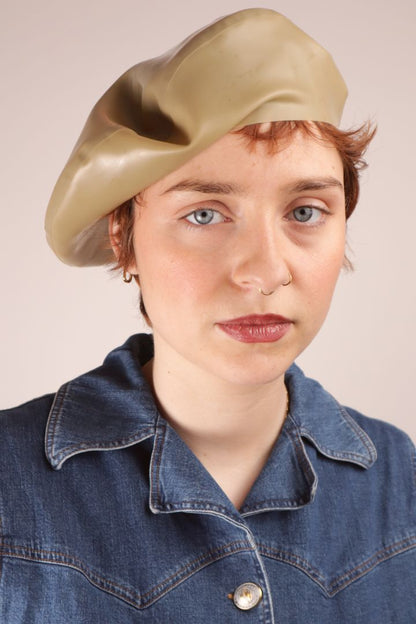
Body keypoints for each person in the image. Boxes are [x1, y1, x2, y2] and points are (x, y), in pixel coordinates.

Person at [1, 8, 415, 623]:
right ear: (124, 237)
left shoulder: (400, 480)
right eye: (205, 214)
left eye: (305, 211)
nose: (266, 272)